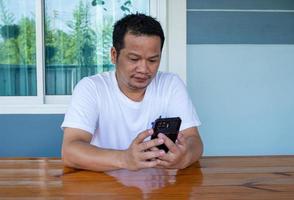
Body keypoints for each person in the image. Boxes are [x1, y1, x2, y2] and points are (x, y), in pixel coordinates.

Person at [61, 13, 203, 172]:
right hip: (103, 186)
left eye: (152, 60)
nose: (143, 69)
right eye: (134, 59)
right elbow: (70, 151)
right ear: (114, 55)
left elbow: (194, 140)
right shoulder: (91, 88)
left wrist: (184, 156)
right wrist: (125, 159)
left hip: (158, 191)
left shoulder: (171, 84)